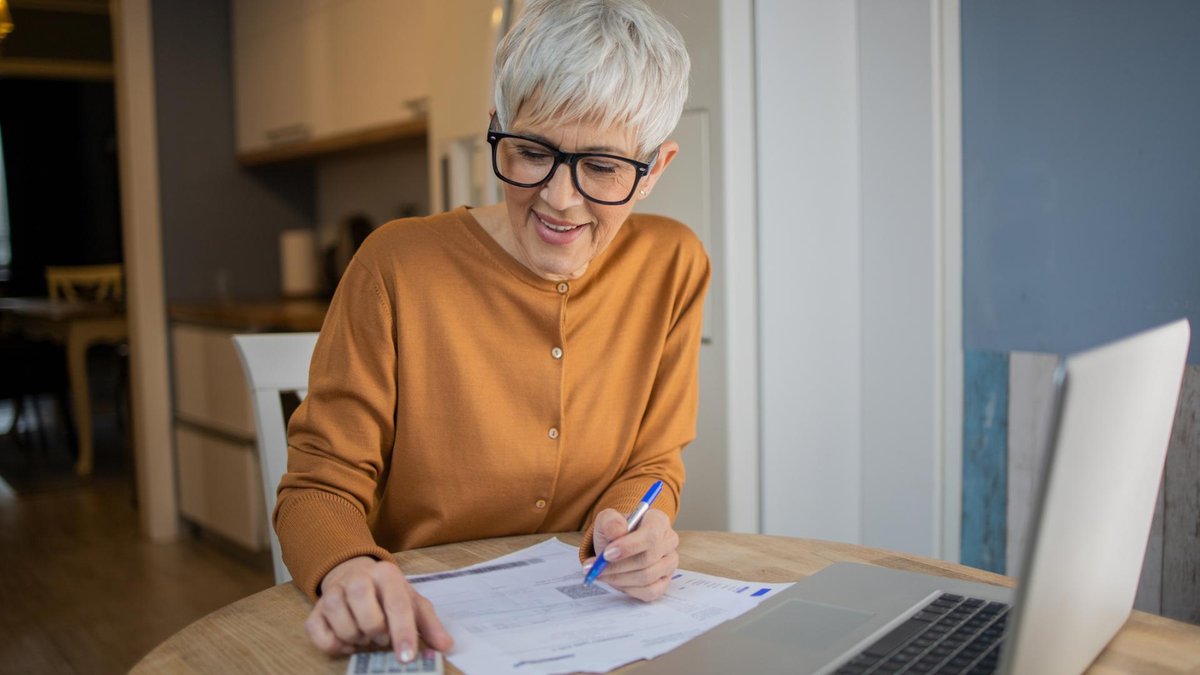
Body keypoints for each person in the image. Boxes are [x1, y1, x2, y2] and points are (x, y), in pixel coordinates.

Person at [275, 0, 708, 663]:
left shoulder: (673, 265)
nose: (561, 199)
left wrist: (631, 526)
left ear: (654, 169)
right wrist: (348, 569)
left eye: (601, 167)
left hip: (586, 632)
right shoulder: (394, 266)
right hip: (419, 633)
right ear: (495, 131)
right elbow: (318, 487)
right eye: (532, 151)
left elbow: (652, 462)